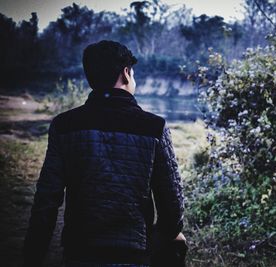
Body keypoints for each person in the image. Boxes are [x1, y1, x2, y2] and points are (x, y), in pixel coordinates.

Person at [23, 40, 186, 267]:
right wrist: (153, 245)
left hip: (79, 253)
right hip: (134, 255)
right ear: (126, 74)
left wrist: (32, 257)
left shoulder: (64, 125)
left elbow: (46, 203)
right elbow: (172, 208)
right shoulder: (154, 127)